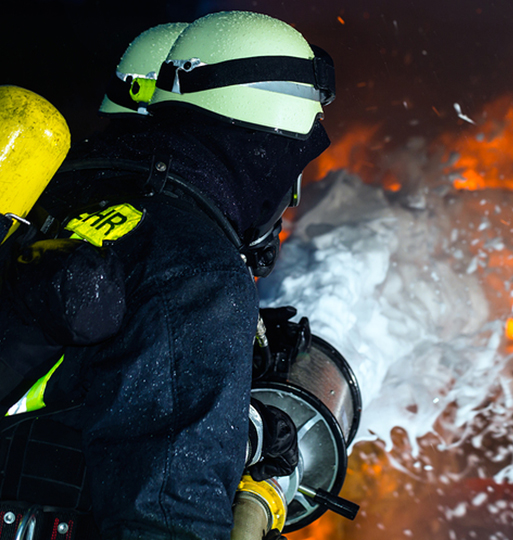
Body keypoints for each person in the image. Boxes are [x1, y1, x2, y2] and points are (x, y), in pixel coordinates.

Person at [0, 10, 335, 539]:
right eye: (291, 165)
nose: (289, 196)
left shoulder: (67, 195)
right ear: (265, 150)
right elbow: (167, 520)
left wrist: (236, 423)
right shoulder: (197, 272)